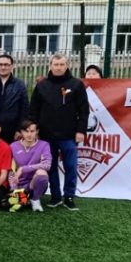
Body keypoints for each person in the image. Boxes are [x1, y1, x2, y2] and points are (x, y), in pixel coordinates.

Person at [30, 53, 88, 211]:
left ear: (67, 65)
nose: (58, 67)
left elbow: (84, 110)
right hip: (46, 135)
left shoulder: (76, 84)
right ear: (50, 66)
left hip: (69, 135)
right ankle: (55, 196)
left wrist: (81, 131)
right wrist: (34, 130)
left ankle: (69, 197)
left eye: (62, 64)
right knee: (51, 167)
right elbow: (34, 110)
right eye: (55, 64)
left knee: (70, 166)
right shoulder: (41, 85)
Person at [9, 119, 51, 213]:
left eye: (32, 131)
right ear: (21, 132)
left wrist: (23, 169)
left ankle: (35, 199)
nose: (29, 134)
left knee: (42, 173)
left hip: (34, 184)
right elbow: (10, 169)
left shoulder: (44, 145)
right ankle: (25, 198)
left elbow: (47, 165)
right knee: (12, 206)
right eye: (26, 131)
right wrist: (13, 188)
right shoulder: (13, 146)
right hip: (19, 185)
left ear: (37, 131)